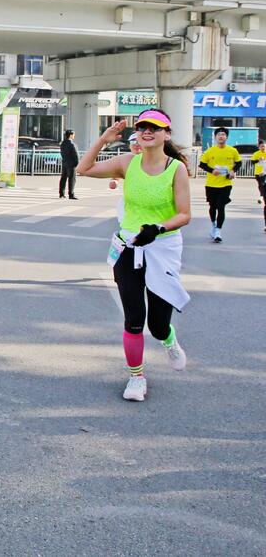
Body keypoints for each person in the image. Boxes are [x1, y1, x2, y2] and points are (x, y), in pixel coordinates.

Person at [76, 108, 191, 402]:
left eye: (154, 127)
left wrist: (158, 228)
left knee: (158, 324)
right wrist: (103, 139)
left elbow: (184, 214)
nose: (147, 131)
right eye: (142, 127)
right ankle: (136, 377)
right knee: (134, 318)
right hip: (128, 246)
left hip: (162, 248)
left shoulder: (176, 169)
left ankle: (168, 339)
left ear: (167, 134)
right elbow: (83, 169)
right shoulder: (128, 162)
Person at [199, 126, 241, 243]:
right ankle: (213, 225)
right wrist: (212, 170)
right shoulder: (210, 151)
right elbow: (202, 164)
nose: (221, 136)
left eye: (223, 134)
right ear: (215, 137)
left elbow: (238, 163)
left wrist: (233, 171)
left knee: (221, 206)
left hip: (226, 184)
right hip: (211, 184)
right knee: (213, 206)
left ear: (227, 137)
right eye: (219, 135)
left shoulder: (232, 151)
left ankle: (218, 231)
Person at [59, 129, 79, 199]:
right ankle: (71, 194)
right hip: (72, 164)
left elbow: (61, 153)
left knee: (63, 178)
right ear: (70, 135)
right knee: (72, 179)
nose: (74, 135)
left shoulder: (63, 143)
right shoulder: (72, 144)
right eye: (73, 134)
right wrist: (78, 164)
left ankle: (61, 194)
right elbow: (76, 155)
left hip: (65, 162)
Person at [252, 139, 266, 232]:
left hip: (264, 173)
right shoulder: (256, 154)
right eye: (261, 146)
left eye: (264, 146)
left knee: (262, 185)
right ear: (259, 147)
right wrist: (258, 160)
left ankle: (261, 196)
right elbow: (252, 162)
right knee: (260, 185)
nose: (263, 147)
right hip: (258, 173)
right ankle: (262, 195)